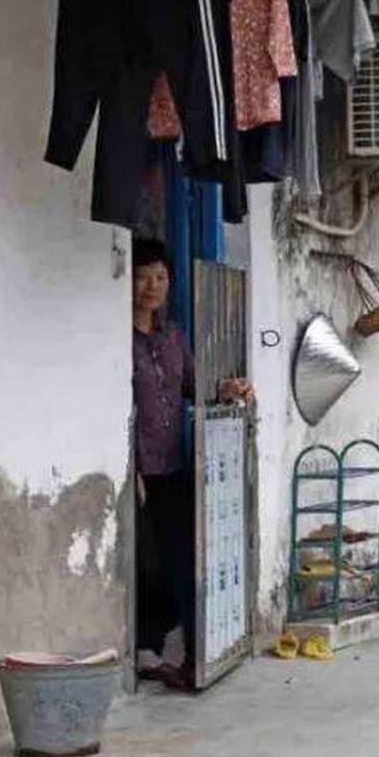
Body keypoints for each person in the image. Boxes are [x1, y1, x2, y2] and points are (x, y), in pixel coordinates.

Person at [131, 237, 251, 685]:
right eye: (143, 277)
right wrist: (133, 469)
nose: (151, 286)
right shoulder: (119, 339)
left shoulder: (173, 335)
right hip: (139, 471)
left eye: (160, 278)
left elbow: (192, 387)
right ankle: (142, 646)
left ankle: (171, 644)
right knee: (146, 561)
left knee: (178, 557)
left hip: (175, 466)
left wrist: (226, 391)